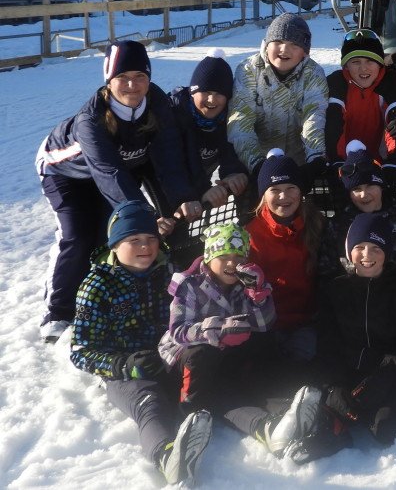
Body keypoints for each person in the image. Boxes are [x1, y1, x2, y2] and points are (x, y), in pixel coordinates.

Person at [37, 39, 200, 341]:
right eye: (122, 77)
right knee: (79, 235)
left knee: (109, 236)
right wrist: (144, 218)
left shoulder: (158, 104)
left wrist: (183, 198)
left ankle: (108, 298)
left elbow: (168, 157)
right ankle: (58, 311)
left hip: (123, 167)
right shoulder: (91, 120)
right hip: (66, 173)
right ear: (108, 81)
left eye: (140, 76)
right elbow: (108, 173)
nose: (132, 85)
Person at [70, 200, 213, 485]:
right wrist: (123, 364)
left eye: (151, 238)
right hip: (125, 371)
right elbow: (80, 350)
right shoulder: (97, 286)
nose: (145, 246)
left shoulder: (167, 271)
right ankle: (167, 456)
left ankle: (264, 422)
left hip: (168, 354)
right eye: (134, 240)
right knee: (150, 400)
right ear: (114, 245)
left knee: (208, 368)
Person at [157, 222, 324, 461]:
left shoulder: (244, 282)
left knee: (262, 342)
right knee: (202, 354)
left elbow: (263, 324)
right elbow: (179, 331)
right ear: (209, 257)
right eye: (223, 256)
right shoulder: (190, 285)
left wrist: (258, 294)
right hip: (185, 357)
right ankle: (190, 411)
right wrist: (217, 329)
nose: (231, 263)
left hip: (226, 353)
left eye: (238, 257)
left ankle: (279, 412)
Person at [317, 212, 396, 446]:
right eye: (360, 247)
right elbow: (327, 341)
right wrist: (332, 385)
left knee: (387, 430)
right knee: (331, 422)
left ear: (387, 253)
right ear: (349, 251)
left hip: (386, 377)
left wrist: (394, 371)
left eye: (376, 248)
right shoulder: (336, 290)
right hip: (346, 374)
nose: (367, 255)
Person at [228, 13, 329, 185]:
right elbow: (240, 120)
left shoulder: (313, 74)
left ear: (304, 52)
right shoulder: (248, 71)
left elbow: (314, 116)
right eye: (278, 42)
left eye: (294, 45)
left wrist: (315, 159)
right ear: (267, 44)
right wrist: (257, 164)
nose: (284, 50)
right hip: (256, 162)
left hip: (299, 163)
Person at [245, 150, 325, 362]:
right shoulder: (251, 235)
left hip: (305, 320)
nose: (284, 196)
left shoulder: (315, 224)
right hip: (266, 324)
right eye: (275, 190)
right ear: (264, 195)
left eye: (291, 188)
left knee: (306, 357)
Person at [321, 140, 396, 281]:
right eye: (357, 189)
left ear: (381, 187)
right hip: (350, 293)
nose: (364, 194)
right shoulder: (337, 226)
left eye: (370, 186)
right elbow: (327, 273)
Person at [167, 49, 248, 217]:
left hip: (201, 174)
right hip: (168, 181)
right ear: (193, 92)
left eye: (219, 94)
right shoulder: (175, 113)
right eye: (206, 92)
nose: (211, 100)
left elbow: (230, 146)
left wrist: (233, 172)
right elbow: (172, 162)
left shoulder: (228, 116)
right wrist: (201, 189)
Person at [325, 28, 396, 169]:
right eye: (355, 62)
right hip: (345, 163)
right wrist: (336, 160)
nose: (363, 68)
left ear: (380, 63)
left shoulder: (390, 82)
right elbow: (332, 123)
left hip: (382, 163)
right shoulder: (337, 83)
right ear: (346, 66)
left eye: (370, 61)